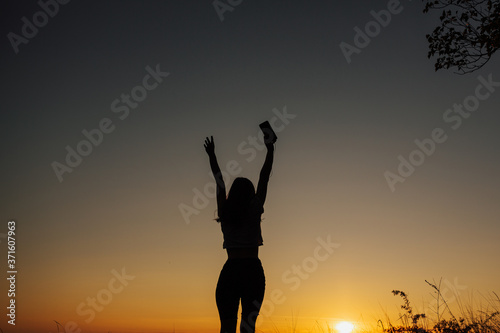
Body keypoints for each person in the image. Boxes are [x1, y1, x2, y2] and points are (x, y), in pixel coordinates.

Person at [203, 134, 275, 333]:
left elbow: (219, 183)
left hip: (231, 271)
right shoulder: (254, 209)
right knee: (248, 328)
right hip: (252, 271)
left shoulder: (226, 212)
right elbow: (264, 177)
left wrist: (212, 155)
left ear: (232, 195)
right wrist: (270, 150)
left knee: (226, 329)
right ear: (251, 194)